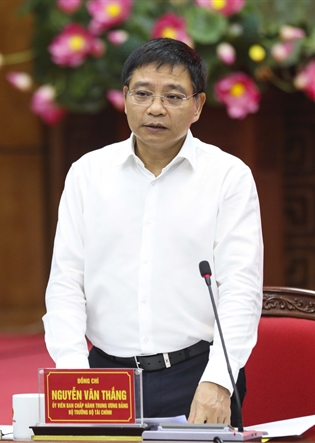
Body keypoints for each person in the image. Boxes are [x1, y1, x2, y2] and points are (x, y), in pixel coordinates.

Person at [42, 38, 263, 426]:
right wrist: (75, 373)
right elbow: (66, 282)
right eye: (143, 93)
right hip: (105, 376)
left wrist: (219, 379)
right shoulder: (87, 174)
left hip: (197, 374)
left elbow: (240, 288)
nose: (156, 108)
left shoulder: (228, 177)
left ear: (198, 106)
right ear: (125, 97)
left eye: (173, 96)